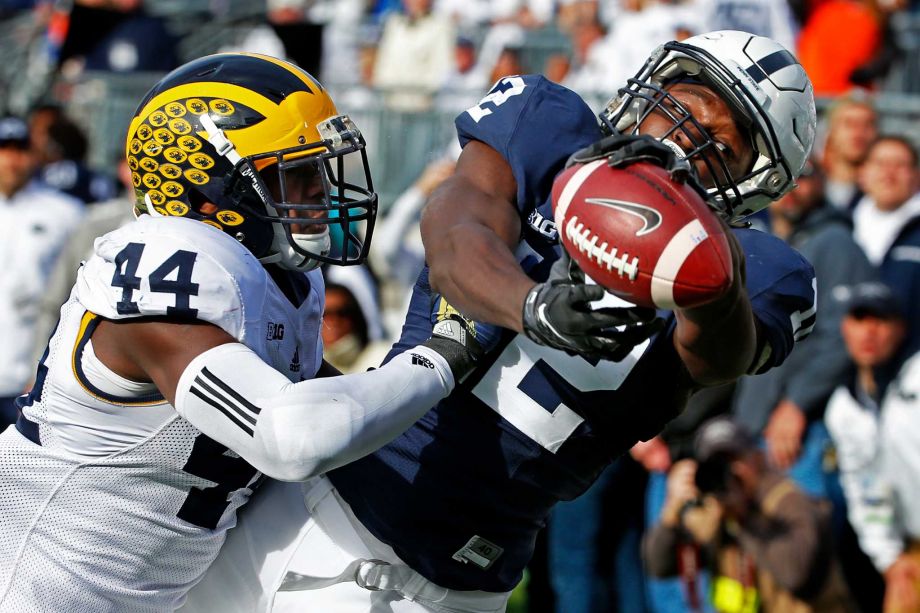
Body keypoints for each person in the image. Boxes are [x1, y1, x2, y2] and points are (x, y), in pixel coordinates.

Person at [186, 30, 818, 612]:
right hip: (324, 510)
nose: (684, 141)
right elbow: (456, 232)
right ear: (648, 88)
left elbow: (717, 357)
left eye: (721, 146)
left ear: (751, 183)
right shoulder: (550, 130)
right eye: (681, 108)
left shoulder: (753, 273)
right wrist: (531, 306)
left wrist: (707, 265)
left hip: (462, 584)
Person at [0, 53, 487, 613]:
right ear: (211, 196)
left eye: (320, 171)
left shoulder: (277, 283)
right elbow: (294, 437)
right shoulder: (167, 269)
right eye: (296, 175)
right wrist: (444, 353)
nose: (322, 194)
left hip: (158, 591)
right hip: (32, 587)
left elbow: (335, 410)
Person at [732, 159, 877, 497]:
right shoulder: (762, 238)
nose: (794, 188)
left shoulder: (836, 243)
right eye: (784, 177)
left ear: (823, 184)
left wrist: (797, 403)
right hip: (753, 425)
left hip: (804, 428)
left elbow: (843, 337)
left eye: (806, 178)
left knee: (803, 539)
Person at [643, 417, 853, 612]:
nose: (730, 472)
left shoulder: (789, 501)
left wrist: (743, 519)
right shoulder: (714, 511)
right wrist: (671, 512)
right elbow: (659, 566)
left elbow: (795, 574)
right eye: (719, 464)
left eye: (735, 459)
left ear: (757, 458)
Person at [824, 281, 920, 613]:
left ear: (902, 328)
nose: (869, 331)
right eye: (859, 318)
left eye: (880, 319)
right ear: (844, 327)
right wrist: (889, 560)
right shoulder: (843, 408)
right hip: (910, 550)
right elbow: (863, 489)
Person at [0, 114, 83, 426]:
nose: (12, 160)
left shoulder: (66, 212)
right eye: (4, 149)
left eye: (20, 149)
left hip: (31, 370)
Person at [852, 135, 920, 354]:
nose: (889, 173)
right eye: (880, 163)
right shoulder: (839, 226)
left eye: (900, 165)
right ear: (862, 174)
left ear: (916, 175)